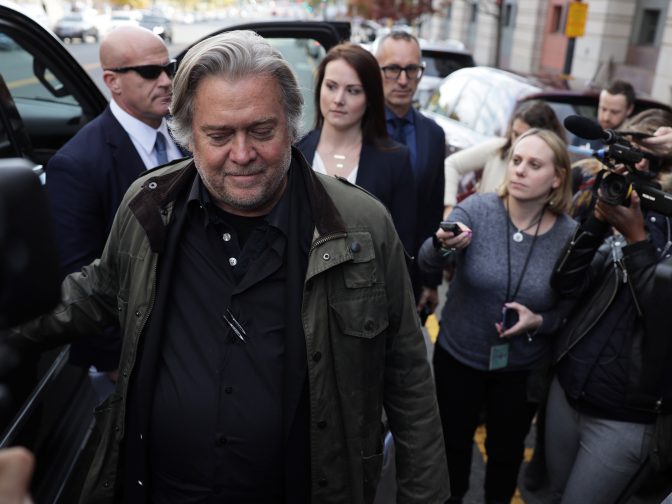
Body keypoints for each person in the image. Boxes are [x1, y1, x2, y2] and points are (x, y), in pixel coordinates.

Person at [12, 30, 449, 504]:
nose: (242, 155)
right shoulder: (148, 207)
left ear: (293, 125)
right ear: (187, 134)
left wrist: (425, 495)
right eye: (218, 135)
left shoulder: (361, 226)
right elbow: (93, 293)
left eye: (262, 131)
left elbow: (407, 377)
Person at [419, 129, 576, 504]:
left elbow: (571, 309)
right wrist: (441, 245)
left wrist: (539, 322)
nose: (519, 170)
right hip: (459, 357)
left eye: (534, 165)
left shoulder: (570, 236)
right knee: (452, 447)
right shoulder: (476, 210)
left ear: (557, 178)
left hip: (521, 368)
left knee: (506, 456)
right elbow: (426, 260)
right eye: (517, 161)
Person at [45, 26, 184, 385]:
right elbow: (78, 280)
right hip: (131, 355)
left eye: (169, 67)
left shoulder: (186, 133)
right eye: (150, 72)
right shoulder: (77, 164)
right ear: (113, 81)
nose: (167, 81)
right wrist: (116, 362)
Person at [546, 117, 672, 504]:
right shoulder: (623, 205)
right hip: (568, 393)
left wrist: (636, 239)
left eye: (644, 157)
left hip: (625, 420)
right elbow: (565, 283)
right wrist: (598, 223)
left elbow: (661, 320)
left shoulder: (661, 225)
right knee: (553, 493)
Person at [296, 42, 416, 253]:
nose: (338, 100)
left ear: (370, 98)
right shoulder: (296, 152)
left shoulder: (395, 161)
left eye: (353, 91)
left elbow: (403, 248)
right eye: (331, 86)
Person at [375, 30, 445, 315]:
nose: (403, 80)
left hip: (411, 280)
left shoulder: (432, 135)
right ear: (376, 71)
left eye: (412, 69)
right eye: (393, 69)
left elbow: (432, 212)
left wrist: (431, 282)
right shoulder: (356, 128)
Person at [443, 100, 565, 217]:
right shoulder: (499, 148)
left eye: (534, 165)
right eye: (515, 134)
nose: (517, 142)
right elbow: (451, 164)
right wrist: (449, 208)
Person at [573, 79, 635, 150]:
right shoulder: (585, 129)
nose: (606, 118)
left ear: (629, 109)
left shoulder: (634, 141)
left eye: (614, 112)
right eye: (603, 109)